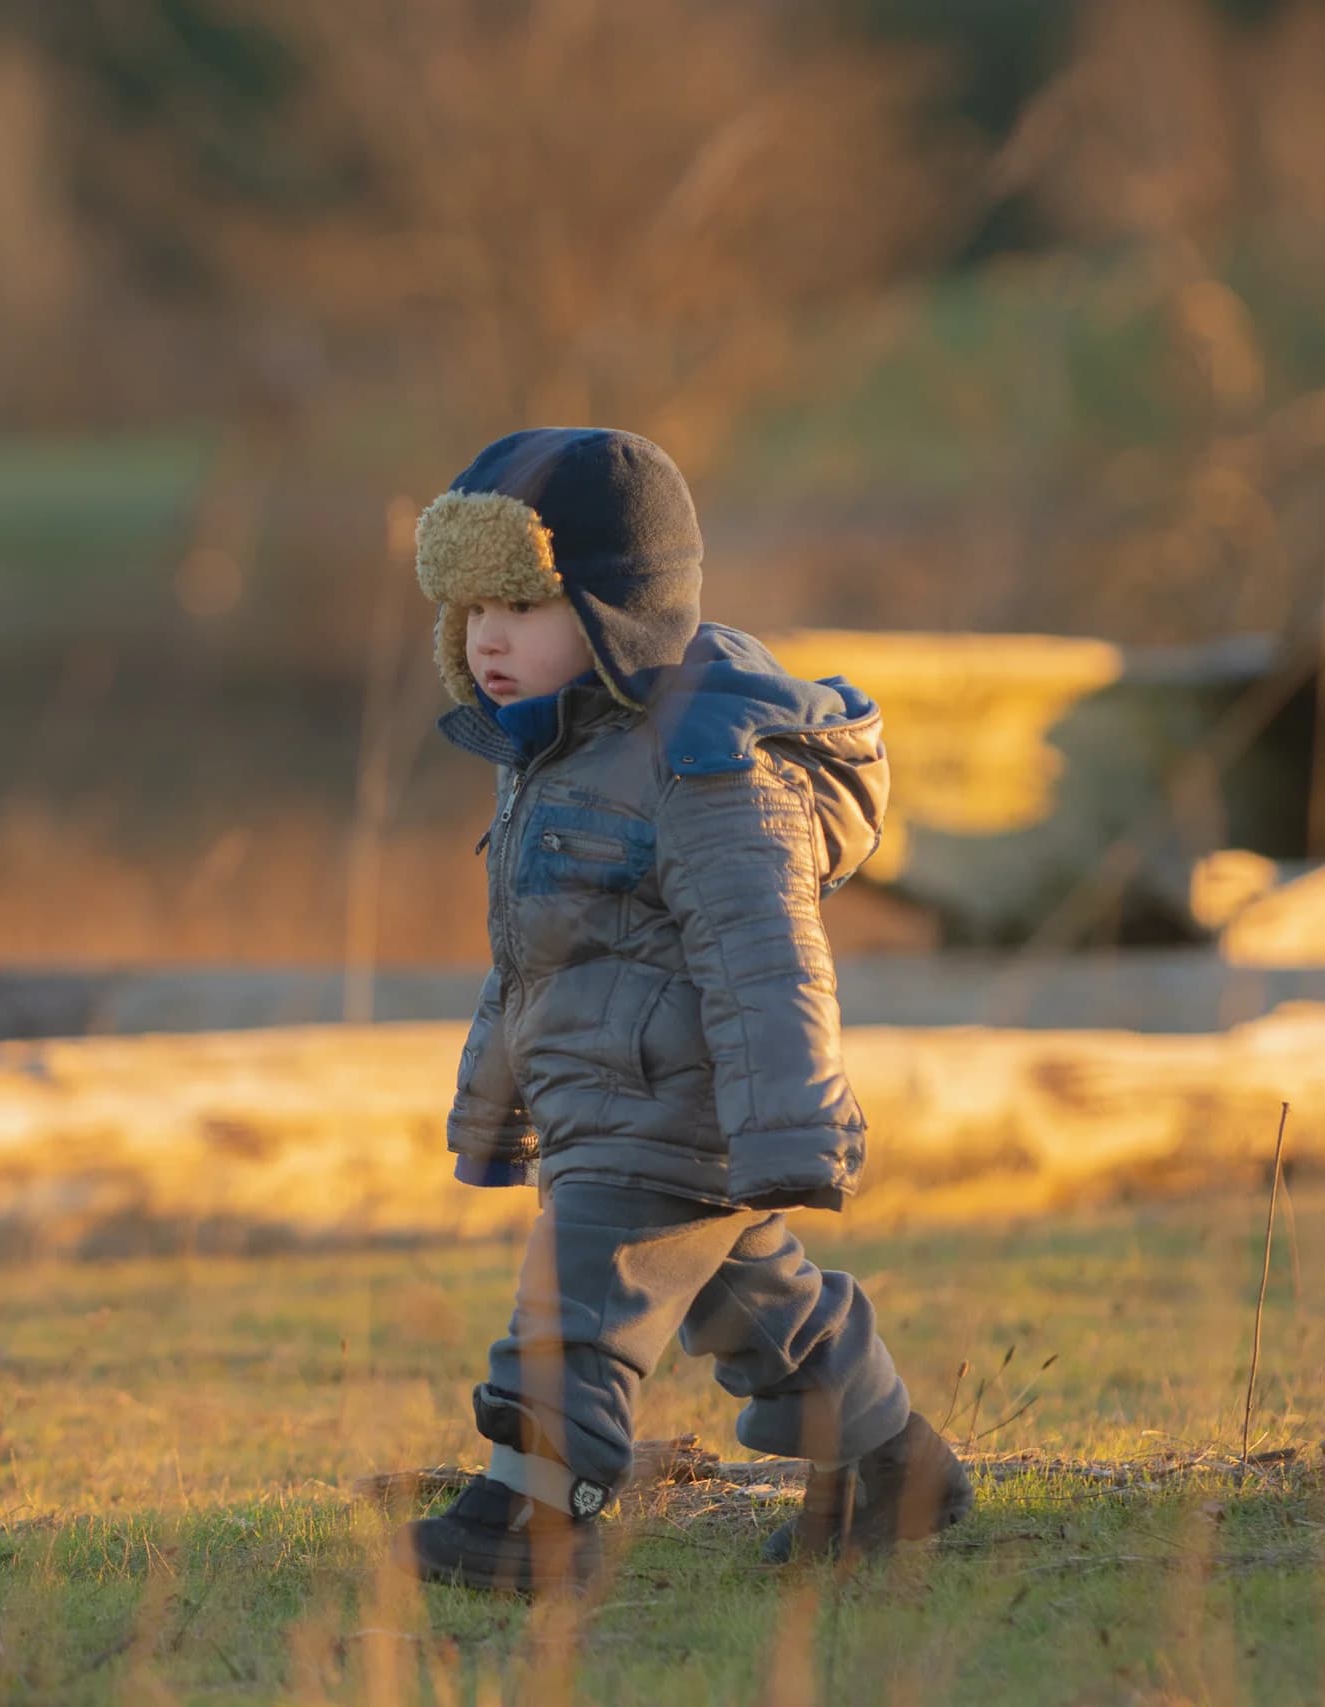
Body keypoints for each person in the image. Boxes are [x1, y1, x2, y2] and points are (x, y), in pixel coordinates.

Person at [393, 427, 972, 1596]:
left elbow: (766, 957)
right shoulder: (556, 751)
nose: (487, 636)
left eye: (522, 603)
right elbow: (532, 963)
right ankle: (895, 1467)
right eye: (470, 610)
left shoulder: (708, 765)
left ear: (618, 610)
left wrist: (789, 1130)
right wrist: (495, 1104)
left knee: (580, 1304)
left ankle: (533, 1516)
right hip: (606, 1098)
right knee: (759, 1305)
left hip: (675, 1106)